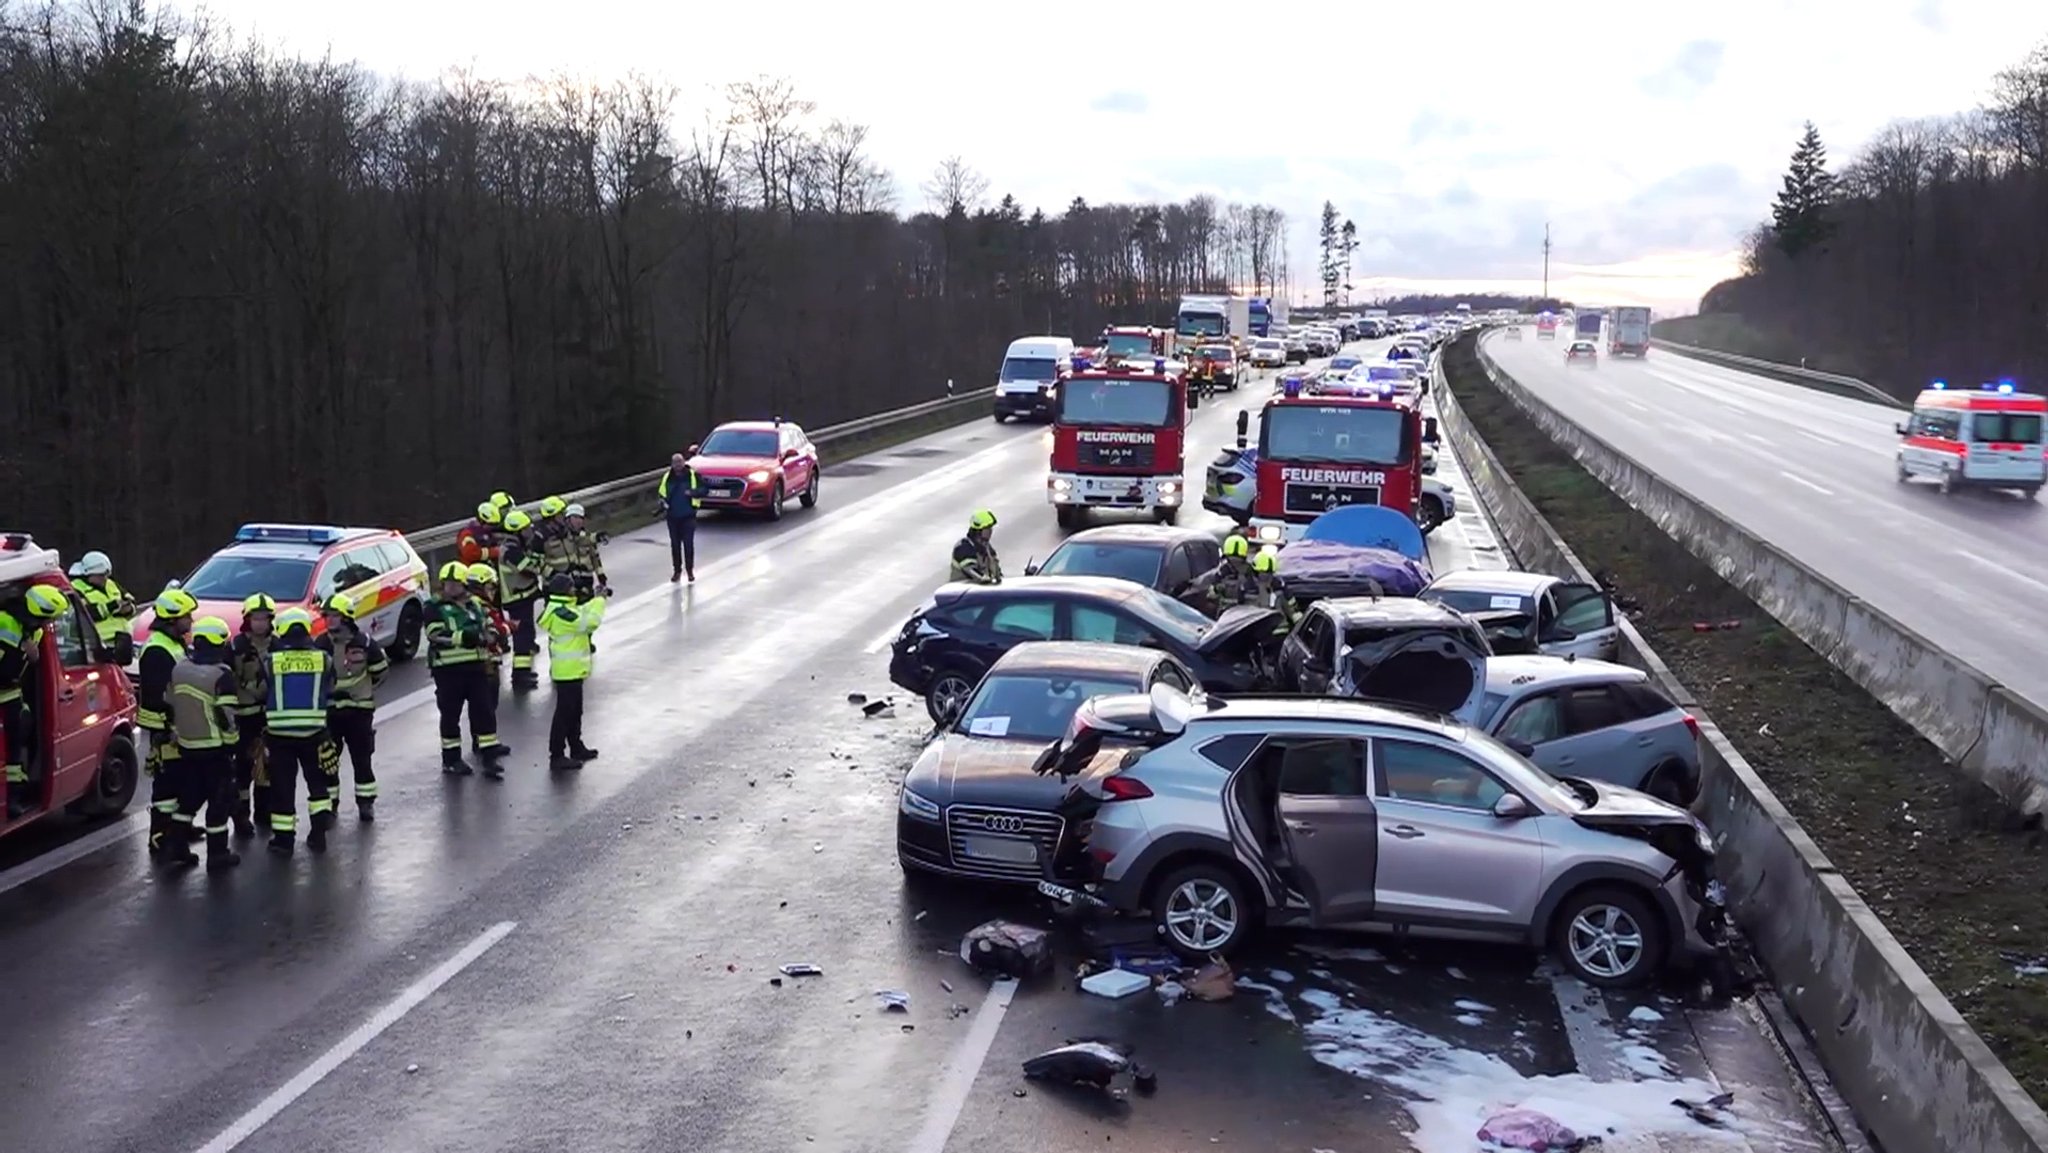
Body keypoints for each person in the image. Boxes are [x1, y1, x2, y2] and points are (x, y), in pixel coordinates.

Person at [165, 616, 241, 871]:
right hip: (214, 749)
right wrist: (232, 744)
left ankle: (176, 847)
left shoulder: (180, 669)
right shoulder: (222, 675)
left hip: (187, 745)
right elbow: (226, 716)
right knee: (220, 801)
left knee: (188, 797)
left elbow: (170, 701)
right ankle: (218, 854)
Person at [263, 607, 335, 856]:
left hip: (280, 737)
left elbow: (263, 691)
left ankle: (284, 841)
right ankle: (319, 835)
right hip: (315, 734)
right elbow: (330, 687)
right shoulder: (324, 659)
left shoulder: (271, 661)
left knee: (283, 789)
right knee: (318, 785)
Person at [428, 561, 507, 776]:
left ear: (465, 585)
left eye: (455, 583)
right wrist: (465, 637)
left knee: (485, 711)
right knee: (450, 716)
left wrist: (492, 633)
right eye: (447, 583)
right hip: (448, 671)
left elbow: (488, 622)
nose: (450, 587)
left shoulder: (474, 604)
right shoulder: (434, 607)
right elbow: (435, 634)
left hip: (476, 668)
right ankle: (451, 760)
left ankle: (489, 756)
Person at [318, 592, 389, 822]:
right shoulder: (320, 644)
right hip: (330, 712)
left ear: (346, 617)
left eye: (334, 616)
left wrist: (362, 693)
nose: (329, 620)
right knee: (328, 761)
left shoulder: (365, 643)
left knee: (362, 759)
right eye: (327, 616)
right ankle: (330, 805)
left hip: (359, 712)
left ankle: (365, 803)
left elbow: (380, 672)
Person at [139, 589, 197, 859]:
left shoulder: (172, 642)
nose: (192, 620)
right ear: (174, 619)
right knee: (167, 783)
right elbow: (158, 693)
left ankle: (179, 828)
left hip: (176, 724)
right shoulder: (157, 650)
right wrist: (171, 725)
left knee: (183, 778)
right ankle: (160, 836)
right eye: (187, 616)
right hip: (166, 728)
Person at [1, 583, 64, 819]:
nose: (46, 625)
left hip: (12, 695)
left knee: (17, 748)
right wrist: (22, 652)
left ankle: (15, 797)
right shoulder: (3, 621)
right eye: (45, 619)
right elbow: (5, 669)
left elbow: (24, 667)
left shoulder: (34, 630)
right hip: (4, 690)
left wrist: (30, 656)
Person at [538, 572, 607, 771]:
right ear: (564, 590)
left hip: (573, 671)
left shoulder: (563, 607)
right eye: (571, 587)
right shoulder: (561, 613)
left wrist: (596, 598)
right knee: (564, 714)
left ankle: (576, 746)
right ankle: (557, 754)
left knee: (575, 711)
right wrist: (600, 602)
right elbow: (589, 622)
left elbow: (582, 611)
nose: (574, 589)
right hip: (567, 671)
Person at [228, 594, 277, 838]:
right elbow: (226, 680)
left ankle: (264, 811)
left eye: (264, 619)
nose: (259, 623)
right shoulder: (236, 647)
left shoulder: (278, 645)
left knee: (267, 765)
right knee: (243, 767)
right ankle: (241, 813)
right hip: (244, 717)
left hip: (269, 716)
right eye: (255, 618)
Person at [496, 509, 544, 691]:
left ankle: (523, 671)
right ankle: (519, 676)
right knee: (521, 638)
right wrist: (539, 562)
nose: (528, 533)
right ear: (517, 532)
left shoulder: (517, 547)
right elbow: (529, 569)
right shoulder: (511, 551)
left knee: (527, 635)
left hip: (524, 596)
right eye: (525, 530)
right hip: (516, 599)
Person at [464, 562, 510, 747]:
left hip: (488, 662)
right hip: (485, 663)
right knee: (486, 705)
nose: (493, 591)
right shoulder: (479, 607)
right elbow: (495, 631)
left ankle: (486, 741)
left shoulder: (476, 604)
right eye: (490, 587)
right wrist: (508, 628)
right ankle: (484, 743)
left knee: (487, 705)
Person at [68, 551, 136, 646]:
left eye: (106, 574)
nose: (105, 578)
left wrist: (128, 609)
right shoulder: (76, 588)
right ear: (89, 574)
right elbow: (84, 614)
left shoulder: (111, 583)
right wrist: (112, 606)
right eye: (101, 575)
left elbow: (130, 599)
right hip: (98, 644)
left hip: (124, 640)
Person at [657, 453, 706, 583]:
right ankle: (677, 571)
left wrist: (693, 493)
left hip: (688, 516)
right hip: (672, 517)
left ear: (684, 462)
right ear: (672, 464)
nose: (678, 465)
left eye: (680, 462)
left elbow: (704, 489)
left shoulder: (692, 475)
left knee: (688, 545)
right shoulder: (667, 477)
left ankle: (689, 571)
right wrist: (662, 502)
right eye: (675, 462)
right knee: (675, 546)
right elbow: (662, 493)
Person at [1183, 534, 1256, 613]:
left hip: (1229, 614)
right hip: (1244, 615)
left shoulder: (1223, 571)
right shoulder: (1251, 571)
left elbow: (1210, 591)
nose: (1235, 563)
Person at [563, 503, 609, 595]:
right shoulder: (563, 538)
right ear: (567, 520)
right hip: (570, 581)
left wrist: (601, 575)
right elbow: (577, 539)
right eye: (575, 518)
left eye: (581, 518)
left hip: (587, 579)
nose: (578, 521)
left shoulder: (588, 537)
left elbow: (595, 557)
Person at [949, 510, 1002, 585]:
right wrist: (985, 579)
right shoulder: (963, 547)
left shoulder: (987, 548)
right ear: (978, 531)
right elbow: (972, 571)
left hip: (979, 592)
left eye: (990, 528)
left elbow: (997, 573)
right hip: (961, 593)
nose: (990, 531)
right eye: (987, 528)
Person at [535, 495, 576, 581]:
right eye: (561, 513)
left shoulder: (566, 529)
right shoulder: (540, 537)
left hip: (572, 579)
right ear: (552, 516)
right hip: (553, 584)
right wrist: (552, 574)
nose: (564, 516)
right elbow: (536, 561)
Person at [456, 500, 504, 568]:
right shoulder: (467, 534)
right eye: (491, 524)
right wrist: (494, 552)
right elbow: (470, 553)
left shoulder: (489, 533)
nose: (492, 528)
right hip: (472, 571)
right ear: (482, 521)